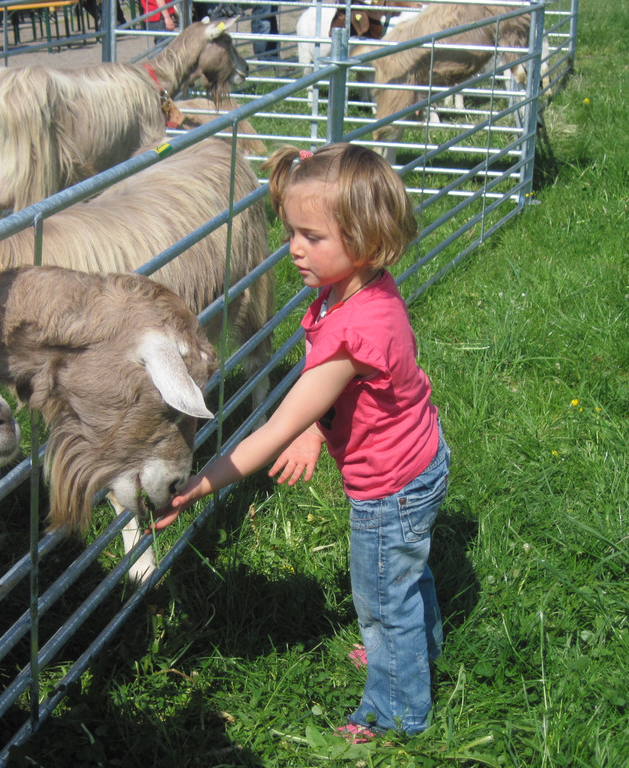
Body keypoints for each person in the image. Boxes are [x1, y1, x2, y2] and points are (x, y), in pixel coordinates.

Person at [154, 143, 449, 741]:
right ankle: (415, 651)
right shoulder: (365, 290)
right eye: (290, 231)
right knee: (407, 576)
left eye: (311, 236)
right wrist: (319, 428)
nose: (292, 248)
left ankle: (397, 713)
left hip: (389, 489)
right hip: (420, 460)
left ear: (366, 240)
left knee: (381, 600)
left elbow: (273, 430)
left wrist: (202, 483)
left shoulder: (351, 332)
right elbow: (350, 391)